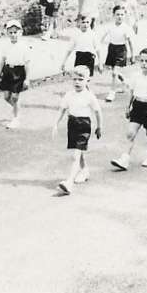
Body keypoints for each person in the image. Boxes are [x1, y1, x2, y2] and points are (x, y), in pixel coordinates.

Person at [110, 49, 147, 170]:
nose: (144, 63)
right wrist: (128, 106)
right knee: (130, 133)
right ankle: (125, 159)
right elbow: (131, 91)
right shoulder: (136, 76)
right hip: (137, 105)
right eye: (141, 61)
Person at [52, 65, 102, 196]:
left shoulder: (89, 96)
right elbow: (62, 109)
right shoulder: (69, 95)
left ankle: (69, 182)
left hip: (84, 125)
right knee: (78, 151)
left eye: (80, 79)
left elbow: (97, 111)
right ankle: (84, 170)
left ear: (87, 80)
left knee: (76, 155)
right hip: (72, 123)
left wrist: (99, 126)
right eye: (74, 79)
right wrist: (55, 124)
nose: (77, 82)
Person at [0, 20, 30, 129]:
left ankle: (15, 118)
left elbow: (27, 64)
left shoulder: (24, 46)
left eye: (15, 32)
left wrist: (27, 79)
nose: (13, 35)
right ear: (7, 33)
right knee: (6, 97)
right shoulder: (6, 46)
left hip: (19, 72)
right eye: (10, 32)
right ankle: (17, 110)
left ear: (20, 32)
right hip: (7, 71)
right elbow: (2, 60)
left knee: (15, 97)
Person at [100, 5, 134, 102]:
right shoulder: (110, 26)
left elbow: (130, 43)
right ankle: (126, 82)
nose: (120, 16)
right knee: (115, 71)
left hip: (121, 50)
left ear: (125, 15)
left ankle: (112, 92)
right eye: (117, 14)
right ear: (113, 15)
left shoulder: (126, 28)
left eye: (122, 14)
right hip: (111, 49)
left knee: (115, 73)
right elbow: (102, 37)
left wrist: (132, 55)